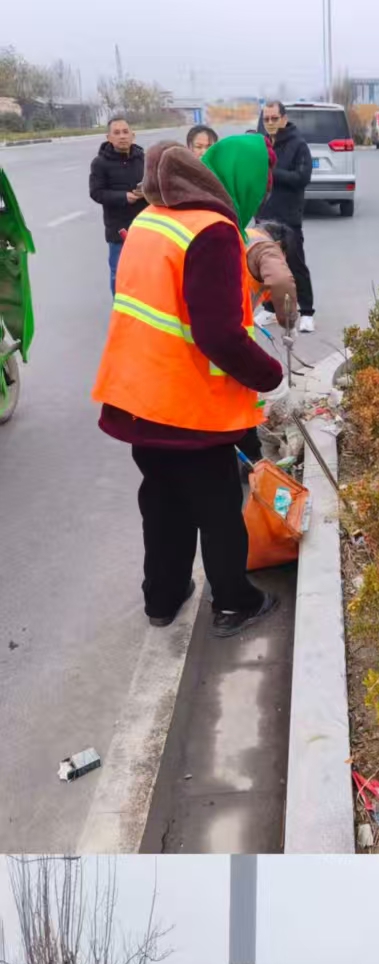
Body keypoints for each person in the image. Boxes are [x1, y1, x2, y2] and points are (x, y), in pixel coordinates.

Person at [91, 141, 284, 636]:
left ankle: (163, 597)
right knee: (218, 509)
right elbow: (216, 333)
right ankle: (235, 602)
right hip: (187, 402)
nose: (262, 192)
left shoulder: (152, 219)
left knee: (162, 503)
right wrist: (267, 374)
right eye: (262, 181)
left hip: (137, 395)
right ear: (241, 180)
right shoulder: (213, 232)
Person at [201, 133, 299, 465]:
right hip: (214, 350)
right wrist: (289, 322)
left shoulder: (229, 229)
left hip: (175, 368)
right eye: (260, 192)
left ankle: (249, 456)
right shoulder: (255, 242)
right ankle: (253, 461)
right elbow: (282, 280)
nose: (259, 201)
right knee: (246, 398)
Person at [257, 101, 315, 333]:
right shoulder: (260, 143)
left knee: (295, 265)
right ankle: (270, 308)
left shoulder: (298, 145)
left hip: (288, 217)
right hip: (263, 216)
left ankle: (307, 311)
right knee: (264, 267)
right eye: (266, 119)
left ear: (283, 118)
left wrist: (271, 172)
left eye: (274, 118)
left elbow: (302, 177)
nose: (270, 123)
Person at [88, 114, 146, 296]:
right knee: (119, 274)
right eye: (117, 132)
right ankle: (120, 314)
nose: (122, 136)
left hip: (145, 226)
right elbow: (96, 193)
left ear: (133, 135)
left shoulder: (143, 159)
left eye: (125, 132)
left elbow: (156, 184)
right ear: (109, 137)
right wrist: (123, 197)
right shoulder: (100, 163)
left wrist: (147, 192)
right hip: (118, 229)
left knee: (146, 273)